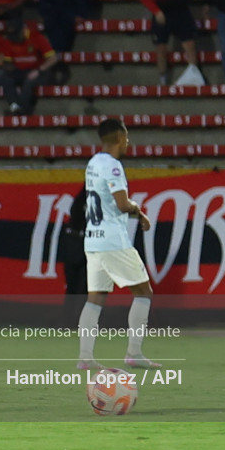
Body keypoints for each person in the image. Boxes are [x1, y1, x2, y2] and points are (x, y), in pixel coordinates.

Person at [77, 119, 160, 371]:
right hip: (113, 240)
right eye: (126, 138)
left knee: (96, 298)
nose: (128, 142)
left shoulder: (93, 163)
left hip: (93, 239)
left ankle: (85, 358)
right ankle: (133, 353)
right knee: (144, 292)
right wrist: (139, 211)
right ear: (119, 138)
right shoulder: (113, 166)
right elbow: (123, 204)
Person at [138, 0, 213, 85]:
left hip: (181, 10)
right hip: (162, 11)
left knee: (190, 45)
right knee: (161, 47)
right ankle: (163, 80)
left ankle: (195, 77)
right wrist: (156, 11)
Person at [0, 19, 57, 115]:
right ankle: (14, 107)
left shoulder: (36, 37)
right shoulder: (8, 40)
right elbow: (8, 64)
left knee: (29, 80)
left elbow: (53, 58)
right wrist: (4, 64)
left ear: (23, 29)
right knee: (5, 78)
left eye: (16, 34)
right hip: (19, 70)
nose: (14, 37)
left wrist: (38, 71)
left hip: (40, 71)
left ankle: (23, 110)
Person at [60, 186, 87, 328]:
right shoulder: (83, 199)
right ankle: (69, 321)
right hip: (76, 244)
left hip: (84, 245)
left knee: (82, 287)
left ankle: (77, 321)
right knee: (74, 286)